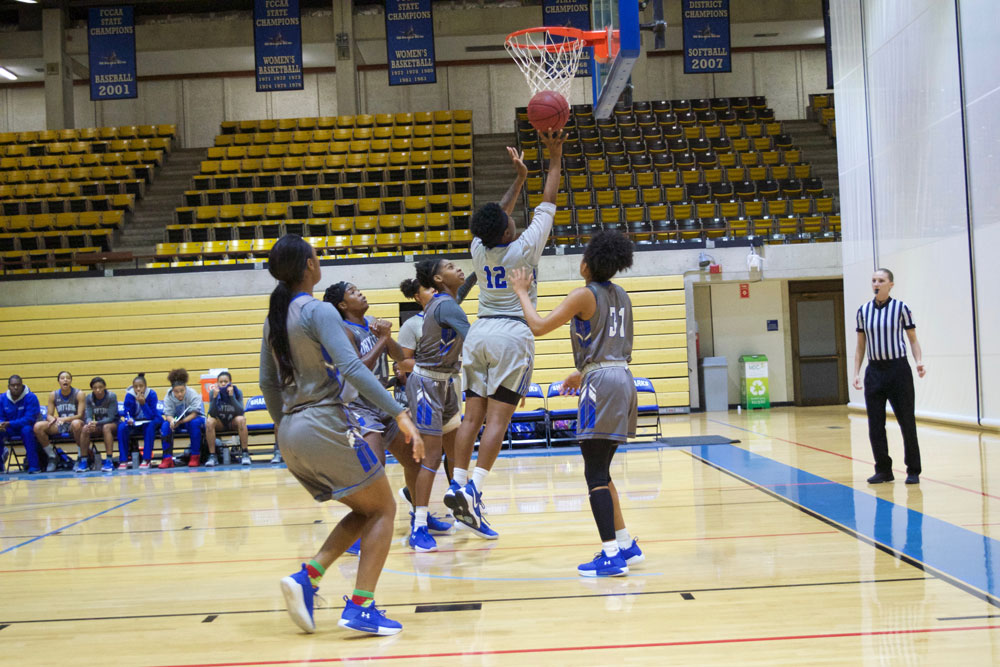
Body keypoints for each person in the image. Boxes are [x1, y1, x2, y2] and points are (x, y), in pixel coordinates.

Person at [260, 234, 423, 636]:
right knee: (385, 509)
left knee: (364, 509)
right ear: (308, 267)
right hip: (324, 423)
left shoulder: (274, 318)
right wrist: (400, 414)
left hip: (291, 433)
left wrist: (287, 428)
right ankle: (360, 605)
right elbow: (353, 369)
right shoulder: (317, 311)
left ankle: (308, 577)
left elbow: (267, 384)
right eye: (316, 256)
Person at [446, 131, 565, 538]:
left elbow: (496, 215)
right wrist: (554, 157)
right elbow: (548, 200)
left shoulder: (480, 248)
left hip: (478, 333)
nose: (512, 217)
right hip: (512, 334)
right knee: (500, 418)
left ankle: (457, 483)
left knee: (472, 416)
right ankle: (475, 489)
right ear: (509, 230)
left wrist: (518, 179)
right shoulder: (525, 248)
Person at [511, 230, 644, 577]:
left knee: (594, 472)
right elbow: (612, 349)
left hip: (603, 384)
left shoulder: (584, 295)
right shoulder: (623, 296)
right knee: (603, 469)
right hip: (622, 378)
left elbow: (538, 326)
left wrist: (522, 293)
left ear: (586, 264)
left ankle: (610, 554)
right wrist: (582, 373)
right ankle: (626, 543)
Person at [324, 281, 430, 554]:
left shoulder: (371, 323)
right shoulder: (344, 332)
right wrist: (381, 339)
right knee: (375, 472)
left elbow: (398, 356)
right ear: (343, 305)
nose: (361, 292)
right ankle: (358, 535)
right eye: (353, 292)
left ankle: (420, 521)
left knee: (415, 461)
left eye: (360, 289)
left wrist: (387, 336)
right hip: (358, 407)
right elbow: (356, 370)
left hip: (383, 402)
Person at [405, 258, 471, 551]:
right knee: (432, 457)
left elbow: (465, 286)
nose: (457, 267)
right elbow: (474, 339)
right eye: (449, 266)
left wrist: (484, 266)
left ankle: (463, 509)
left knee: (454, 451)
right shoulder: (446, 305)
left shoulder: (446, 301)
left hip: (444, 382)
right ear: (438, 279)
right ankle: (419, 525)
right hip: (427, 384)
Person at [853, 268, 925, 485]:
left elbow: (912, 339)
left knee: (906, 421)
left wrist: (919, 360)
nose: (876, 283)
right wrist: (856, 373)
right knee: (875, 424)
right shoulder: (863, 310)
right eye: (874, 280)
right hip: (874, 372)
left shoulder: (901, 308)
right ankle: (883, 469)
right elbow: (860, 345)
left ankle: (913, 469)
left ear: (890, 284)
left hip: (898, 370)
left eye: (881, 280)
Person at [33, 370, 85, 472]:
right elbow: (49, 415)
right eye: (62, 378)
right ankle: (52, 457)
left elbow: (80, 415)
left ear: (71, 381)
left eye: (68, 378)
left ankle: (80, 457)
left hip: (74, 423)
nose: (65, 380)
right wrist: (53, 420)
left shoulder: (79, 394)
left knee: (76, 423)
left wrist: (64, 419)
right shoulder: (53, 394)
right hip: (60, 424)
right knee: (38, 426)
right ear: (58, 381)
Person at [159, 368, 206, 468]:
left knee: (194, 424)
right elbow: (168, 414)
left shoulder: (192, 393)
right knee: (165, 425)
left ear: (185, 388)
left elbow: (195, 413)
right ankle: (167, 458)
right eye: (176, 392)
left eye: (182, 391)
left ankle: (195, 456)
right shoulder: (168, 396)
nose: (179, 394)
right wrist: (172, 421)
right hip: (177, 420)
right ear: (172, 390)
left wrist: (181, 421)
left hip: (193, 418)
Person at [205, 371, 252, 467]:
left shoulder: (237, 392)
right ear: (217, 383)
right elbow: (212, 413)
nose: (223, 384)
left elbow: (240, 412)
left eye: (225, 381)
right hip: (220, 422)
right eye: (220, 382)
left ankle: (245, 453)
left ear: (230, 382)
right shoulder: (212, 393)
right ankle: (212, 456)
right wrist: (214, 398)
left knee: (242, 420)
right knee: (209, 421)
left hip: (232, 421)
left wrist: (231, 397)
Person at [117, 372, 162, 470]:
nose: (138, 389)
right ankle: (123, 460)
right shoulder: (129, 395)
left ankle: (147, 459)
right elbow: (127, 412)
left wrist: (143, 404)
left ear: (145, 386)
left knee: (149, 427)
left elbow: (151, 415)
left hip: (152, 420)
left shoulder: (151, 394)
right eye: (135, 386)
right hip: (137, 422)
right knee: (121, 428)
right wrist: (129, 419)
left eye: (141, 386)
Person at [73, 377, 118, 473]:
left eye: (100, 387)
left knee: (106, 427)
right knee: (85, 428)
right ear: (92, 389)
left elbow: (111, 418)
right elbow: (88, 415)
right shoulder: (89, 398)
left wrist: (96, 423)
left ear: (105, 387)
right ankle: (84, 461)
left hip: (113, 424)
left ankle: (109, 461)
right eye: (95, 388)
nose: (98, 390)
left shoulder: (111, 396)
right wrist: (90, 423)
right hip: (98, 425)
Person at [0, 375, 41, 473]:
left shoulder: (31, 397)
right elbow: (1, 416)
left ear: (22, 385)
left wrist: (10, 423)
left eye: (18, 385)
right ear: (8, 386)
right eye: (13, 385)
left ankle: (34, 466)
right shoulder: (2, 398)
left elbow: (29, 419)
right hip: (9, 428)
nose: (15, 387)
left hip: (25, 427)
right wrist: (1, 423)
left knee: (27, 430)